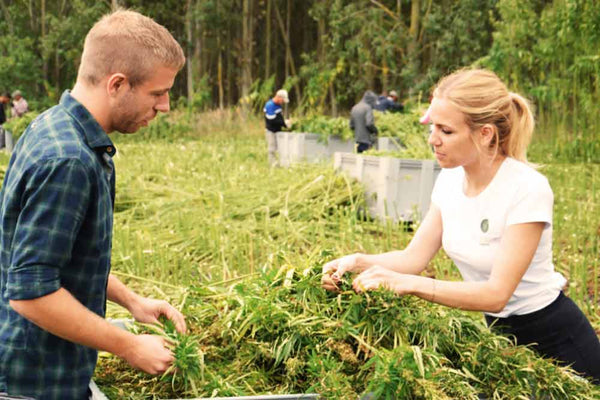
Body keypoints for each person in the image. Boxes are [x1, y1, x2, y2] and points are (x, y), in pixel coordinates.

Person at [323, 69, 600, 384]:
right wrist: (357, 263)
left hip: (556, 340)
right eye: (433, 128)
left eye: (446, 131)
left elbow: (497, 294)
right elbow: (413, 258)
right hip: (500, 337)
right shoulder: (450, 181)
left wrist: (407, 284)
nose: (433, 140)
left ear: (484, 134)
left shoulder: (526, 189)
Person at [0, 9, 188, 399]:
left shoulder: (56, 127)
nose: (165, 106)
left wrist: (132, 301)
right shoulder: (68, 160)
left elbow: (59, 258)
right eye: (158, 92)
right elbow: (31, 294)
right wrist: (130, 346)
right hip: (35, 382)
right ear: (117, 84)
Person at [263, 89, 291, 166]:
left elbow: (279, 117)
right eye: (282, 100)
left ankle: (280, 163)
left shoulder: (278, 106)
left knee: (279, 148)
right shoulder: (270, 105)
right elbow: (272, 120)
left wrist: (285, 124)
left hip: (277, 130)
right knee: (272, 148)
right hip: (271, 130)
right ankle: (272, 164)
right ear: (278, 97)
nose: (283, 102)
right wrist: (283, 123)